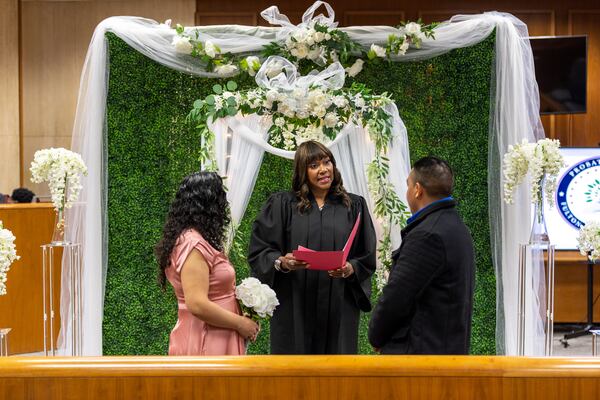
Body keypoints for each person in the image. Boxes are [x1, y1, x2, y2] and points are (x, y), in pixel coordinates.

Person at [248, 140, 376, 354]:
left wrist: (351, 268)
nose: (324, 169)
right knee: (294, 370)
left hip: (338, 303)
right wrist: (282, 262)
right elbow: (260, 250)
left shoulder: (354, 206)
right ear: (302, 171)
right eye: (314, 165)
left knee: (336, 371)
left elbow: (367, 253)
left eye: (327, 162)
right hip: (294, 304)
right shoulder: (281, 204)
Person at [368, 156, 475, 354]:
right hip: (445, 349)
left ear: (417, 190)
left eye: (408, 185)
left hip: (420, 357)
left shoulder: (427, 235)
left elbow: (397, 297)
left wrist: (376, 335)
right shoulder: (456, 226)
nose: (407, 191)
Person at [155, 171, 259, 355]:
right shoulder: (193, 244)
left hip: (216, 334)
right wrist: (239, 323)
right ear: (209, 205)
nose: (224, 206)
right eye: (220, 199)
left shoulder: (196, 239)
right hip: (206, 338)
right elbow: (197, 304)